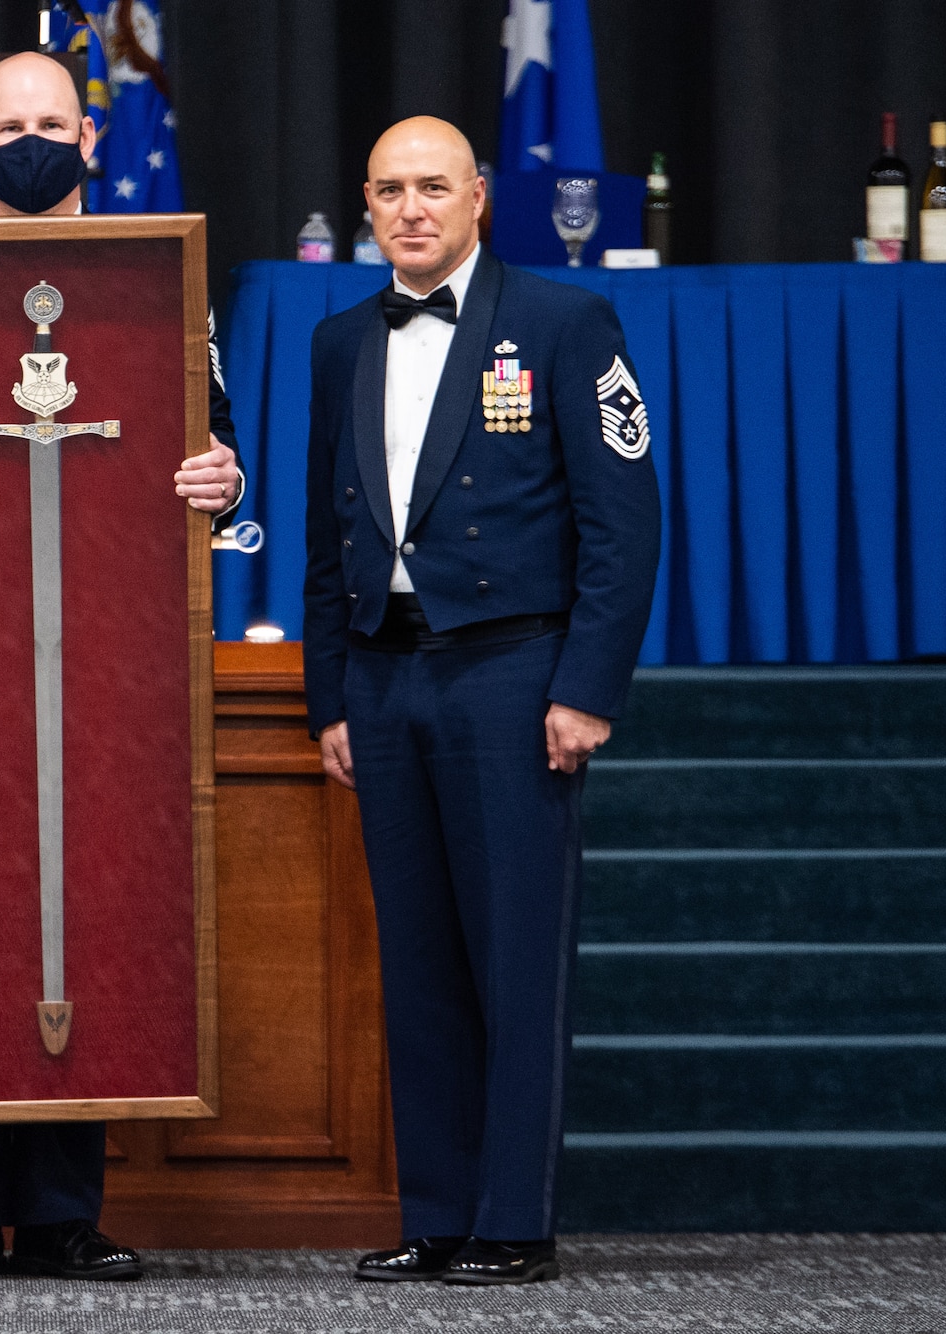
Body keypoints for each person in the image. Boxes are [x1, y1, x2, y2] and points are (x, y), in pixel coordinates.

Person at [0, 51, 246, 1284]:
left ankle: (67, 1208)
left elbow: (212, 433)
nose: (29, 140)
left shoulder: (148, 272)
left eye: (50, 122)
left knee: (89, 881)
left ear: (89, 133)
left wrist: (224, 477)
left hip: (113, 644)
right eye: (9, 124)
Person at [302, 117, 660, 1286]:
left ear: (478, 197)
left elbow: (622, 522)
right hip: (384, 670)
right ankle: (438, 1209)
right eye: (390, 190)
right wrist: (329, 696)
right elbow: (323, 537)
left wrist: (585, 688)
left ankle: (511, 1217)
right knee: (414, 960)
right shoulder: (337, 338)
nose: (411, 209)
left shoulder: (563, 322)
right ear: (366, 202)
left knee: (512, 954)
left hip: (512, 673)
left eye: (433, 188)